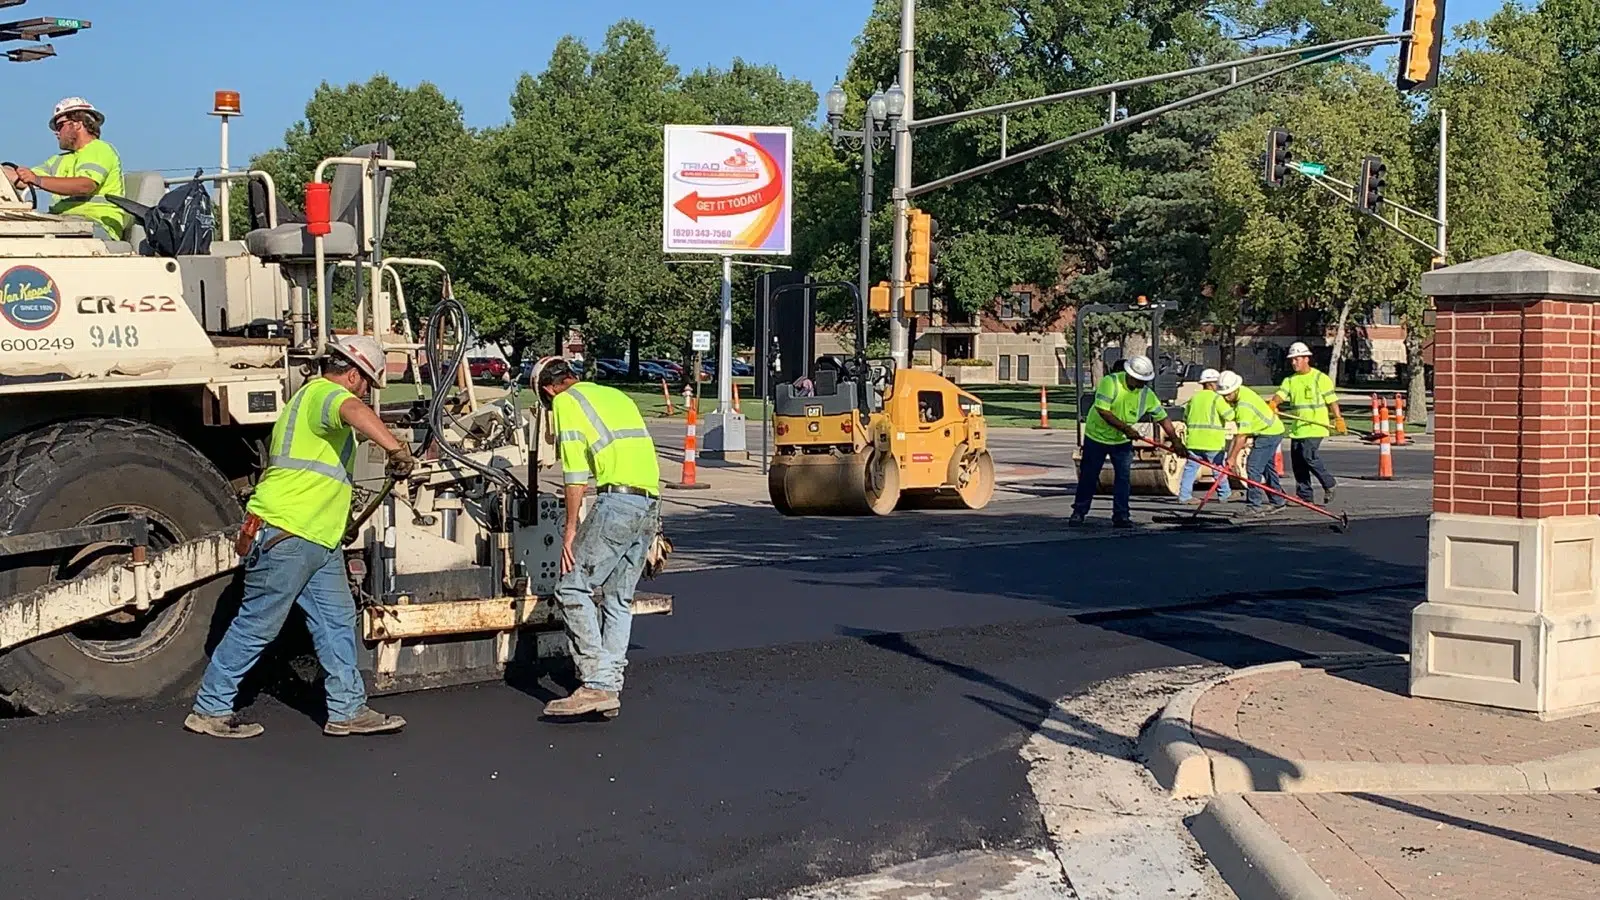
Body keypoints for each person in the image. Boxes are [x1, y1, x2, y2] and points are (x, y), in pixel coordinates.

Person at [184, 335, 416, 739]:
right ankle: (210, 708)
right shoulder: (324, 394)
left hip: (315, 540)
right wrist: (395, 449)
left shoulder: (309, 403)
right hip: (288, 534)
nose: (367, 392)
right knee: (257, 625)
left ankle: (347, 710)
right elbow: (352, 408)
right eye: (368, 383)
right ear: (354, 374)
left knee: (336, 621)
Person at [537, 358, 662, 717]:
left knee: (572, 587)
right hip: (649, 502)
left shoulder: (565, 402)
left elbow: (575, 472)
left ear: (549, 389)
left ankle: (594, 683)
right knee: (618, 599)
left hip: (617, 503)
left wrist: (570, 530)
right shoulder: (616, 396)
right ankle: (610, 685)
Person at [1070, 354, 1187, 528]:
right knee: (1089, 475)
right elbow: (1104, 411)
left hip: (1121, 442)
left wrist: (1176, 441)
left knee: (1123, 478)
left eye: (1144, 380)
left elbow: (1162, 418)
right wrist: (1127, 429)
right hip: (1097, 438)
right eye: (1139, 379)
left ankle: (1121, 515)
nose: (1142, 384)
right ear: (1129, 375)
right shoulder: (1111, 382)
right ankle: (1079, 512)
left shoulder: (1147, 394)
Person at [4, 98, 128, 240]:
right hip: (67, 224)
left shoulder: (100, 149)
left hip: (95, 226)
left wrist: (37, 180)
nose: (56, 133)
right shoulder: (60, 160)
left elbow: (85, 185)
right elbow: (23, 179)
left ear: (77, 124)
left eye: (60, 126)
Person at [1268, 342, 1346, 505]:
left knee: (1308, 456)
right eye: (1292, 360)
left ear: (1306, 359)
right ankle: (1305, 496)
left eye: (1297, 359)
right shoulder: (1290, 381)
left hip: (1316, 426)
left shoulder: (1320, 378)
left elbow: (1332, 401)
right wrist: (1273, 404)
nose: (1294, 363)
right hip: (1299, 428)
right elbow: (1280, 396)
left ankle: (1329, 483)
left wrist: (1338, 418)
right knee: (1298, 462)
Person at [1219, 370, 1288, 517]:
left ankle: (1254, 505)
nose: (1226, 398)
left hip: (1269, 433)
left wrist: (1232, 458)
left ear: (1236, 388)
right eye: (1223, 395)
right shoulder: (1241, 394)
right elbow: (1238, 434)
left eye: (1228, 394)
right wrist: (1230, 456)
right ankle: (1277, 500)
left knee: (1253, 467)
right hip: (1268, 430)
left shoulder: (1244, 405)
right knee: (1267, 468)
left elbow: (1242, 436)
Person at [1177, 368, 1233, 504]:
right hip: (1212, 441)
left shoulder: (1194, 399)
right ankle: (1225, 493)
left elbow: (1185, 417)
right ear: (1211, 384)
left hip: (1194, 441)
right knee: (1218, 468)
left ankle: (1184, 496)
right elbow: (1230, 415)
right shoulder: (1217, 399)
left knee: (1190, 469)